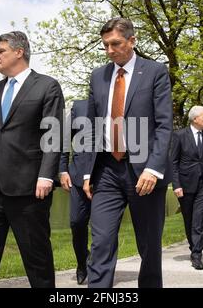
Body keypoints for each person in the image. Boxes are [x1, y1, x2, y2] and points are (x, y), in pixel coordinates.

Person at [0, 31, 64, 287]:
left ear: (19, 52)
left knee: (37, 259)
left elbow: (54, 135)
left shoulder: (47, 86)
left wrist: (46, 175)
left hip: (30, 191)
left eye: (1, 51)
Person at [82, 18, 173, 288]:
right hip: (107, 170)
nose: (110, 50)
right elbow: (91, 127)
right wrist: (87, 171)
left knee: (149, 245)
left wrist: (153, 168)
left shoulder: (155, 72)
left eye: (115, 44)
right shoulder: (98, 76)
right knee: (100, 242)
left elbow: (164, 124)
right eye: (105, 45)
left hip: (144, 173)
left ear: (132, 41)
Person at [171, 106, 203, 270]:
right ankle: (193, 247)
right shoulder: (179, 136)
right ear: (195, 119)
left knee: (199, 220)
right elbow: (173, 162)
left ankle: (197, 255)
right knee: (189, 219)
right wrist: (176, 184)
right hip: (185, 185)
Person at [59, 99, 91, 285]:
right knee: (76, 222)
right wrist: (63, 170)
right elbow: (64, 140)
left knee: (105, 230)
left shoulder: (118, 105)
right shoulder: (79, 107)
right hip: (78, 177)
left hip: (106, 179)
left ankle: (99, 267)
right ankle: (82, 262)